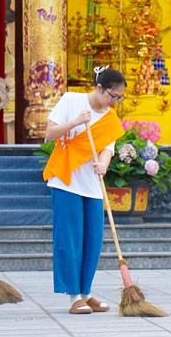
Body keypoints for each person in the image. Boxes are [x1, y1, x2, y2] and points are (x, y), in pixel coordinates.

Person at [42, 67, 126, 315]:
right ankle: (73, 296)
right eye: (113, 96)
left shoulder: (109, 117)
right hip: (66, 181)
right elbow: (49, 134)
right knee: (69, 240)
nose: (115, 102)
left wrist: (104, 164)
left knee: (92, 241)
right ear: (99, 88)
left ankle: (86, 292)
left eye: (120, 98)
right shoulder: (72, 101)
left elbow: (108, 148)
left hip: (92, 184)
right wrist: (76, 122)